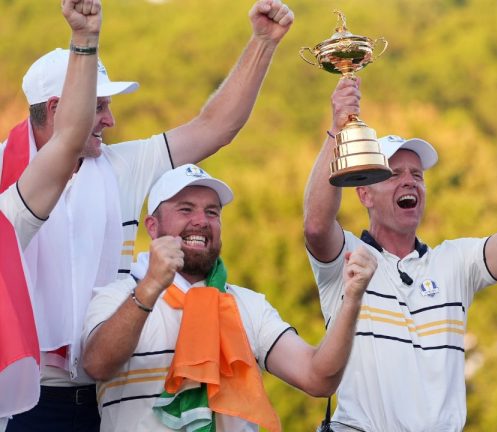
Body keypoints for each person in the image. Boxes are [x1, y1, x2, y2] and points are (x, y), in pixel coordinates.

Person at [1, 1, 294, 430]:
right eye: (98, 106)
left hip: (102, 391)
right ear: (58, 107)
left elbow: (215, 127)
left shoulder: (123, 165)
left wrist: (263, 43)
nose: (111, 120)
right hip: (20, 393)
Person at [302, 50, 497, 431]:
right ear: (364, 193)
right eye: (393, 173)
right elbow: (316, 225)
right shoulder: (347, 256)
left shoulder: (454, 261)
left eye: (417, 174)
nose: (410, 180)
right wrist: (337, 129)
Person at [80, 164, 376, 432]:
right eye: (185, 209)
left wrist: (350, 300)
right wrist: (150, 287)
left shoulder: (250, 305)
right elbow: (96, 365)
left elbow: (318, 378)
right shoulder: (117, 296)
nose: (201, 221)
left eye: (212, 212)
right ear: (152, 226)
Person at [0, 0, 102, 429]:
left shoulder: (10, 211)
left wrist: (84, 41)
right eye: (100, 106)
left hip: (81, 389)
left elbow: (65, 144)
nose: (110, 120)